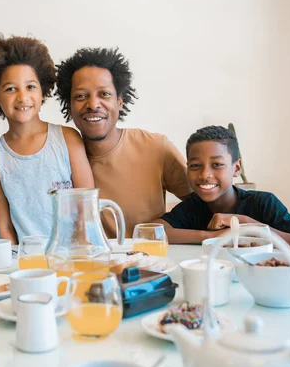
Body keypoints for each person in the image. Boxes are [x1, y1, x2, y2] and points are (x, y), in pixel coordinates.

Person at [56, 47, 192, 238]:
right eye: (81, 96)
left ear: (120, 101)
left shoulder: (155, 147)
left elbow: (200, 202)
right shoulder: (58, 158)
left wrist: (165, 226)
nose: (93, 104)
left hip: (149, 261)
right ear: (69, 106)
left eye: (104, 94)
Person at [0, 35, 94, 243]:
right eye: (11, 89)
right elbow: (4, 226)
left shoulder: (68, 139)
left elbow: (87, 209)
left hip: (74, 256)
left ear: (43, 93)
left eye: (30, 87)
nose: (22, 97)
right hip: (28, 264)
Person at [153, 125, 290, 257]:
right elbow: (151, 232)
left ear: (237, 168)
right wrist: (211, 237)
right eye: (195, 166)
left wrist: (246, 224)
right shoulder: (192, 208)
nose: (205, 175)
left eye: (217, 165)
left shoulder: (263, 203)